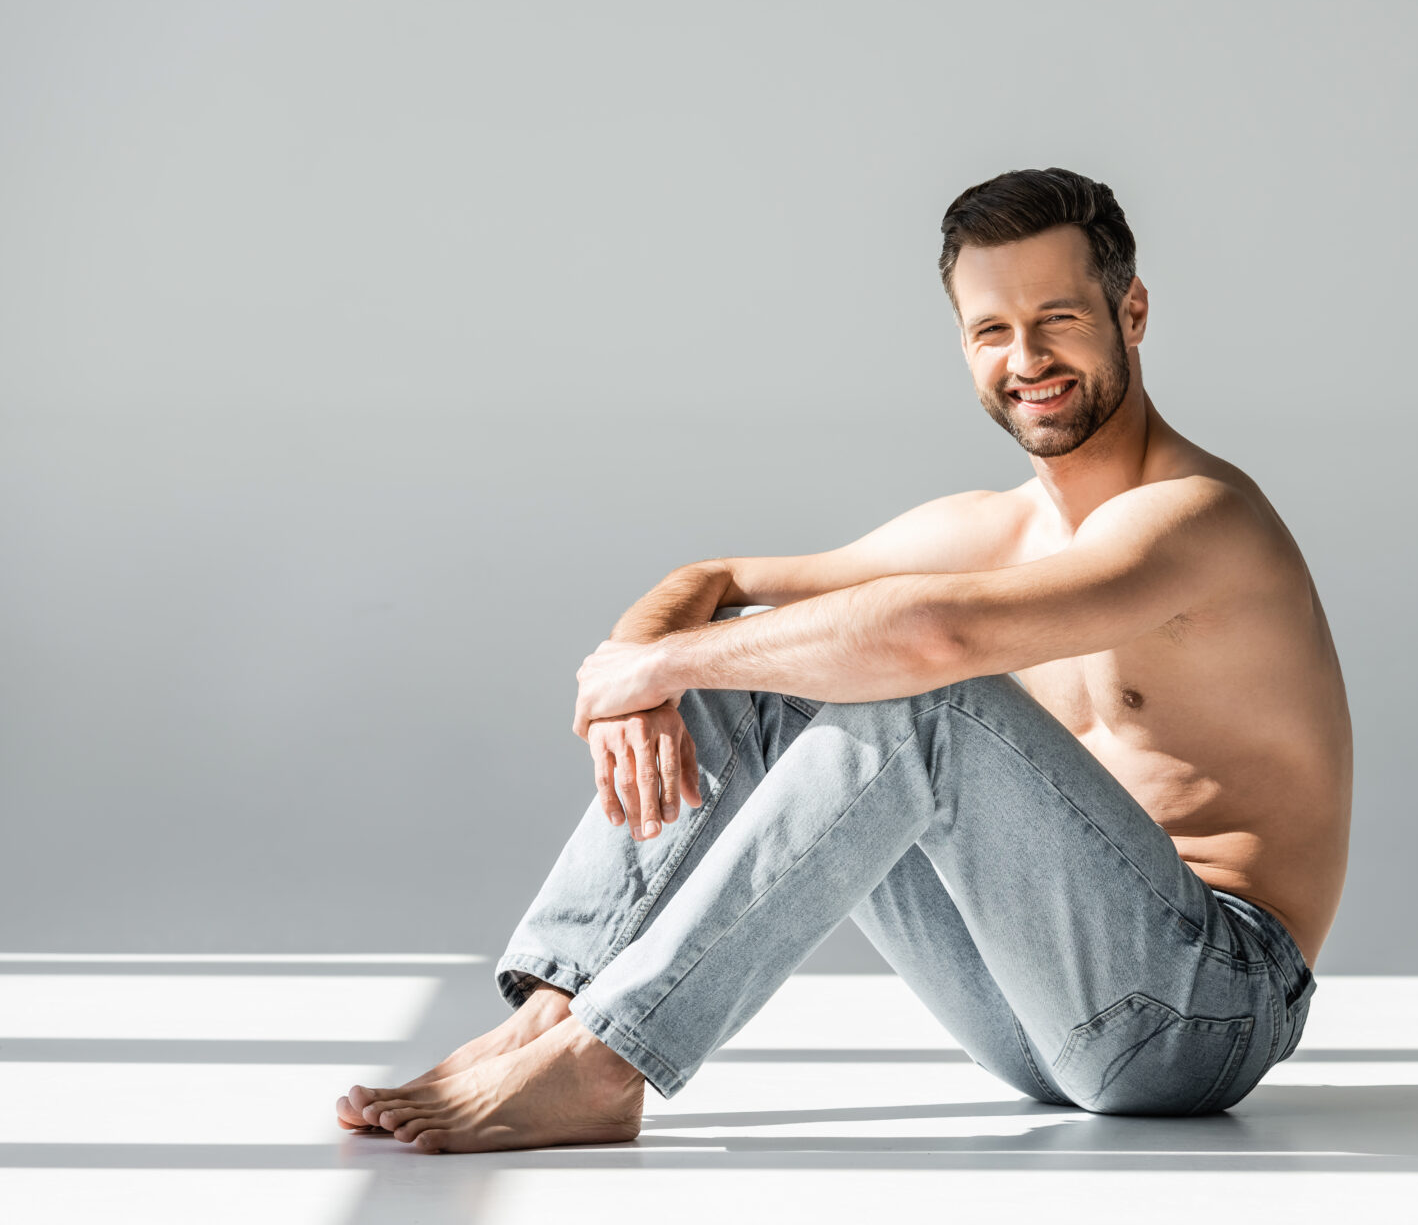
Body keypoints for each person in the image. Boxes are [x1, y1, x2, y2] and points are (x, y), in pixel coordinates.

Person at [335, 166, 1352, 1153]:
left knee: (914, 692)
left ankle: (608, 1063)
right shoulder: (983, 529)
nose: (1026, 356)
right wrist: (645, 663)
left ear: (1129, 312)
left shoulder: (1198, 516)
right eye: (991, 329)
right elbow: (718, 577)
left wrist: (651, 667)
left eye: (1059, 318)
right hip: (1032, 1013)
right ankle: (552, 1016)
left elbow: (933, 641)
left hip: (1207, 1008)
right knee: (762, 666)